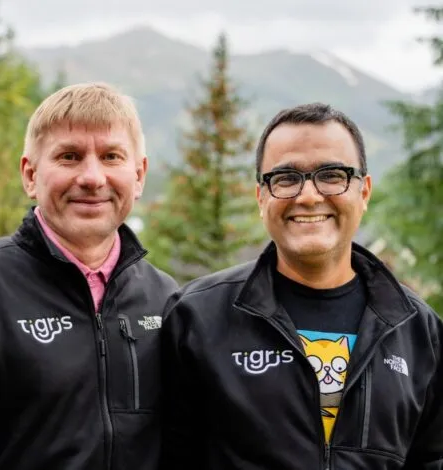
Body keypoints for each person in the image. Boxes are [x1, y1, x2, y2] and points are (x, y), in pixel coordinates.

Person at [0, 82, 178, 470]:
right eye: (69, 157)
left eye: (111, 156)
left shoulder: (166, 300)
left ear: (140, 174)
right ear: (30, 175)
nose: (93, 177)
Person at [161, 102, 443, 469]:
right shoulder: (195, 318)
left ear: (364, 192)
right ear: (261, 197)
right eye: (286, 178)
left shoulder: (419, 331)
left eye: (332, 175)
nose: (308, 196)